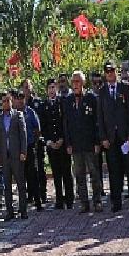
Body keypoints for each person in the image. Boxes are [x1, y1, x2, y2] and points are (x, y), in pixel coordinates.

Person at [97, 62, 129, 212]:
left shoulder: (125, 87)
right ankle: (116, 202)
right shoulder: (101, 92)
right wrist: (103, 138)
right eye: (107, 71)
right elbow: (100, 117)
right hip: (111, 138)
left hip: (125, 137)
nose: (109, 73)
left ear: (116, 71)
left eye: (112, 70)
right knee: (114, 172)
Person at [64, 71, 103, 213]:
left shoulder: (91, 98)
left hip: (90, 143)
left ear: (83, 83)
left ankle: (97, 201)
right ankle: (84, 203)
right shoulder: (67, 100)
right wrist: (68, 143)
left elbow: (97, 121)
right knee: (79, 175)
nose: (75, 84)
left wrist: (97, 141)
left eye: (78, 81)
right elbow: (66, 123)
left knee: (94, 173)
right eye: (73, 81)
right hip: (75, 144)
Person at [0, 92, 28, 220]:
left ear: (11, 101)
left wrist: (23, 152)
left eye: (7, 101)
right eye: (3, 101)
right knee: (7, 185)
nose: (6, 103)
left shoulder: (18, 115)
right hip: (4, 156)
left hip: (16, 155)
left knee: (20, 184)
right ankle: (10, 211)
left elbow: (23, 135)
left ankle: (23, 210)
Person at [41, 78, 74, 209]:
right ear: (46, 90)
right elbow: (43, 125)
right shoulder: (44, 105)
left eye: (53, 87)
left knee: (66, 172)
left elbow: (65, 122)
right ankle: (59, 199)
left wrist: (62, 139)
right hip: (52, 145)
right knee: (56, 174)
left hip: (63, 143)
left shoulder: (63, 102)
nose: (52, 90)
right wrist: (49, 141)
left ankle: (70, 199)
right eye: (49, 88)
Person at [14, 90, 42, 212]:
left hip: (29, 148)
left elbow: (37, 129)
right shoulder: (13, 114)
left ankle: (38, 201)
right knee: (21, 178)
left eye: (22, 98)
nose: (20, 100)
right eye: (17, 98)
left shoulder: (30, 112)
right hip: (17, 150)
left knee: (33, 176)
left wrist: (33, 144)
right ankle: (23, 204)